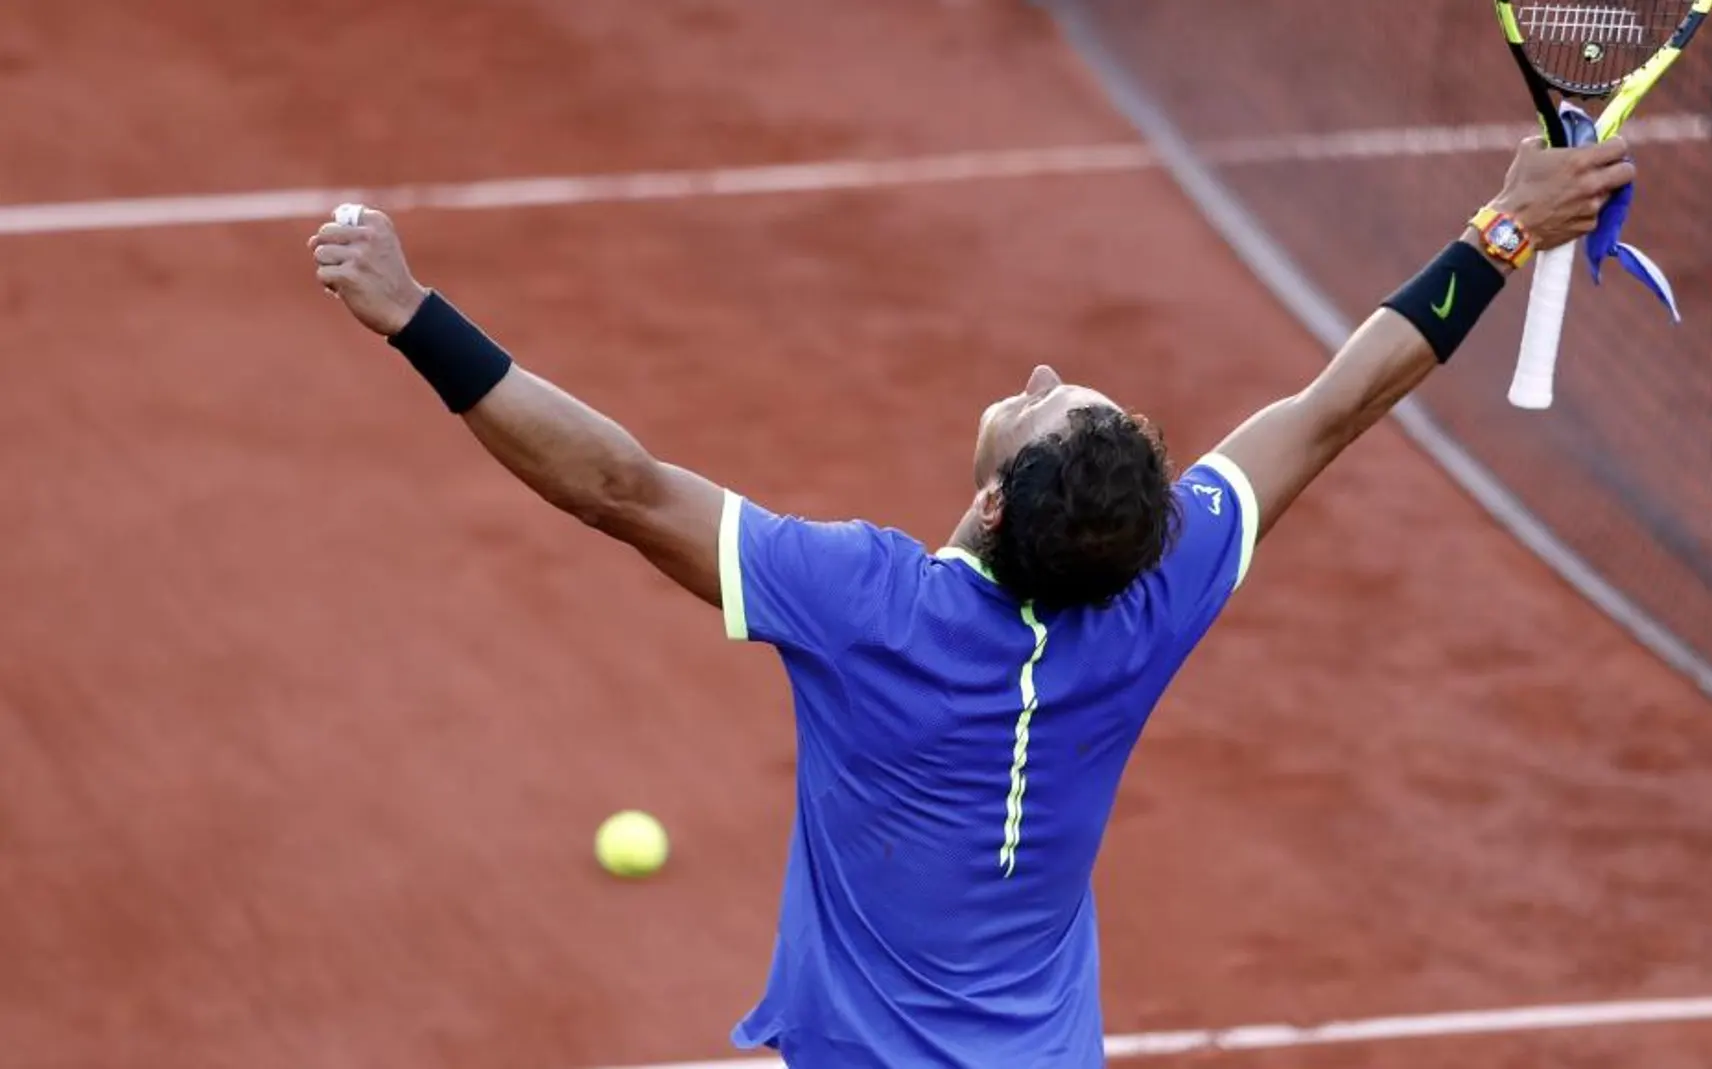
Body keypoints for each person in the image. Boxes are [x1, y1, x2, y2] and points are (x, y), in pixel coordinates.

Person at [309, 134, 1636, 1067]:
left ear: (995, 503)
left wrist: (413, 312)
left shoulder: (861, 605)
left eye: (1045, 400)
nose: (1045, 366)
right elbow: (1337, 403)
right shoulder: (1159, 591)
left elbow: (617, 485)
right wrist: (1503, 231)